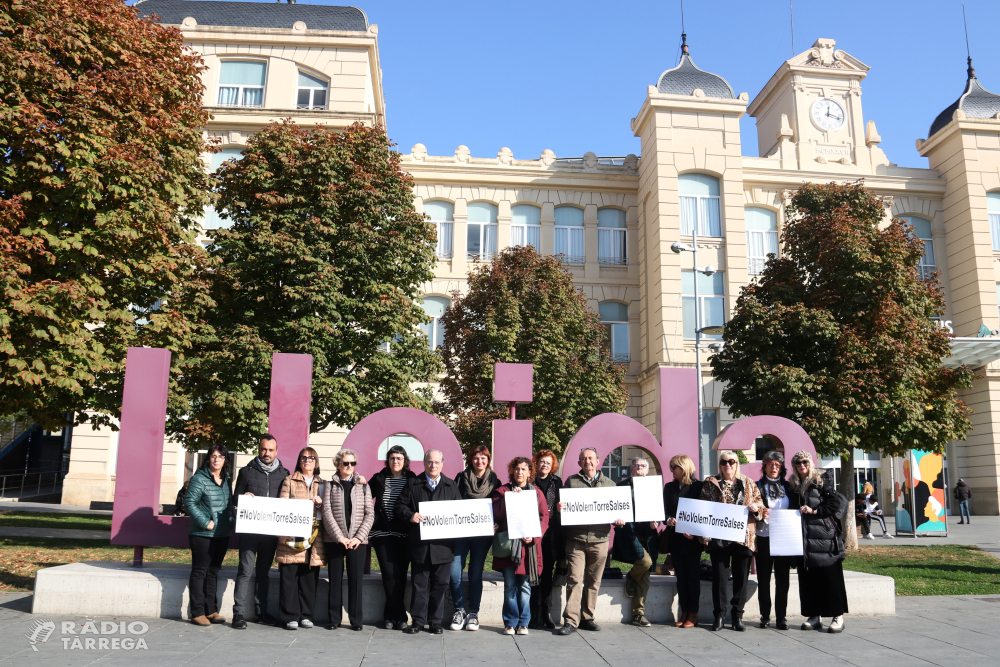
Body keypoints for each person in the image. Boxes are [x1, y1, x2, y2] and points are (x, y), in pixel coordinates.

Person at [394, 449, 462, 634]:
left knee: (440, 586)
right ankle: (417, 621)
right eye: (430, 462)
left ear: (442, 464)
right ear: (424, 463)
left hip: (443, 547)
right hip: (420, 546)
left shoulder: (451, 486)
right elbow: (399, 505)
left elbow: (460, 514)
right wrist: (410, 515)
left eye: (437, 462)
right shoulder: (413, 484)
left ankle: (435, 621)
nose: (433, 465)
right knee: (419, 585)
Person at [555, 447, 618, 635]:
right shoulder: (571, 482)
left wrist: (619, 519)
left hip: (600, 540)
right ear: (579, 463)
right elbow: (564, 507)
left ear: (598, 461)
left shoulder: (610, 484)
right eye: (584, 459)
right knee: (574, 579)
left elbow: (616, 510)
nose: (587, 461)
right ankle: (571, 621)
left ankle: (587, 617)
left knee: (594, 581)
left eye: (591, 458)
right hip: (576, 539)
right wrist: (560, 508)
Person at [699, 449, 763, 632]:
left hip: (743, 538)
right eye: (724, 462)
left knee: (741, 579)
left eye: (732, 462)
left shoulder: (749, 483)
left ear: (737, 464)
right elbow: (702, 508)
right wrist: (703, 535)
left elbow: (761, 506)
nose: (728, 465)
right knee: (719, 578)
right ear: (719, 465)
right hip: (719, 538)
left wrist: (755, 507)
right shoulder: (710, 483)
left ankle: (737, 616)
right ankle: (719, 615)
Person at [231, 433, 290, 628]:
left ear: (276, 451)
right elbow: (235, 499)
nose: (267, 453)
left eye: (271, 450)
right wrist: (242, 499)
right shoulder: (246, 472)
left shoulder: (284, 474)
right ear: (259, 449)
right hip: (249, 532)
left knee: (263, 572)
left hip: (270, 533)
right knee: (245, 571)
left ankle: (261, 612)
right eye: (264, 449)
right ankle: (238, 613)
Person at [790, 450, 849, 633]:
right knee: (808, 580)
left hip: (824, 538)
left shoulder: (821, 481)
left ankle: (837, 616)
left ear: (811, 463)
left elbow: (834, 505)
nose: (802, 466)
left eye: (805, 462)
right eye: (798, 463)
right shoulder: (793, 485)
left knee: (830, 578)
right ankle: (814, 616)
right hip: (804, 540)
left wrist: (814, 511)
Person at [491, 456, 549, 635]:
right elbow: (496, 514)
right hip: (509, 548)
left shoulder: (536, 492)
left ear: (530, 472)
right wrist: (509, 499)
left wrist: (534, 536)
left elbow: (544, 517)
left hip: (527, 549)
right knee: (509, 586)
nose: (520, 472)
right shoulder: (502, 491)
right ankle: (510, 622)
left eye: (524, 469)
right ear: (512, 471)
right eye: (517, 469)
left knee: (524, 587)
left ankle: (524, 622)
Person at [449, 444, 499, 631]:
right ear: (470, 460)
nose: (479, 461)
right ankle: (459, 610)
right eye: (476, 458)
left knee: (475, 573)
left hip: (482, 536)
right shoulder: (461, 478)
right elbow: (452, 502)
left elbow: (499, 507)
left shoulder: (495, 481)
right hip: (461, 534)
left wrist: (497, 523)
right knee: (454, 572)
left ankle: (473, 613)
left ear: (488, 460)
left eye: (483, 458)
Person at [322, 448, 373, 631]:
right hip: (335, 541)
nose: (349, 466)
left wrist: (358, 537)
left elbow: (369, 514)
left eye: (352, 463)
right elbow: (327, 513)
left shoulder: (364, 486)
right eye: (345, 463)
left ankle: (356, 620)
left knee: (355, 581)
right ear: (338, 464)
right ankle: (334, 619)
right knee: (335, 580)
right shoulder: (329, 485)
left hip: (357, 542)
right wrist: (340, 537)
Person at [275, 447, 325, 630]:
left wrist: (321, 505)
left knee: (309, 578)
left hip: (314, 538)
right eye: (304, 457)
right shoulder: (289, 481)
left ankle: (306, 615)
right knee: (289, 577)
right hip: (291, 536)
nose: (307, 461)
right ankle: (290, 616)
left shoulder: (323, 484)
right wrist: (281, 532)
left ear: (316, 462)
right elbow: (282, 506)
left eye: (311, 458)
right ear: (299, 460)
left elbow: (328, 511)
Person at [185, 443, 234, 626]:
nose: (216, 459)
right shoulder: (200, 478)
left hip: (222, 533)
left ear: (225, 460)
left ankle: (211, 610)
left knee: (213, 572)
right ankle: (197, 612)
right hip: (202, 534)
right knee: (200, 571)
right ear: (208, 458)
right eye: (213, 456)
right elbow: (189, 503)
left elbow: (229, 504)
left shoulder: (227, 479)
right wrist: (206, 522)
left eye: (220, 456)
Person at [369, 445, 417, 629]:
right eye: (392, 458)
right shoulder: (379, 478)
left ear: (405, 461)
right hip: (382, 532)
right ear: (387, 461)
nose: (395, 461)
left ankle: (389, 616)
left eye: (399, 458)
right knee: (389, 574)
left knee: (401, 575)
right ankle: (401, 616)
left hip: (404, 533)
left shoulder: (411, 479)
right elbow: (363, 497)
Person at [614, 457, 657, 627]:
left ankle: (638, 614)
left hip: (648, 536)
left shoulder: (653, 488)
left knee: (645, 575)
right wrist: (616, 520)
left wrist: (657, 521)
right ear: (631, 469)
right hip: (629, 534)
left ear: (647, 470)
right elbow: (613, 510)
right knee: (645, 562)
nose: (639, 468)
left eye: (643, 466)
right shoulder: (621, 487)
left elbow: (658, 511)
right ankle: (631, 576)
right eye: (636, 465)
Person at [755, 450, 793, 630]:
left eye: (777, 465)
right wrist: (760, 512)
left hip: (783, 538)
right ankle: (765, 615)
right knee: (763, 578)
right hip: (764, 537)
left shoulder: (789, 487)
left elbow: (795, 509)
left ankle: (781, 617)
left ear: (782, 468)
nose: (774, 468)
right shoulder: (757, 486)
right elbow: (751, 510)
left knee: (783, 579)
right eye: (770, 464)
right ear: (764, 467)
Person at [662, 454, 702, 628]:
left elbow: (703, 513)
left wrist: (695, 532)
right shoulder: (669, 487)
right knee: (681, 578)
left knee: (692, 577)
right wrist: (668, 519)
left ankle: (693, 614)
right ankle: (684, 612)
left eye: (674, 467)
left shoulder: (699, 487)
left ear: (683, 468)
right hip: (675, 539)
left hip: (692, 540)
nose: (671, 471)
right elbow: (663, 511)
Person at [529, 449, 564, 629]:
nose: (545, 465)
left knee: (547, 573)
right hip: (532, 531)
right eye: (542, 462)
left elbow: (562, 503)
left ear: (552, 466)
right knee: (533, 571)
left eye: (548, 463)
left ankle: (546, 611)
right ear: (535, 463)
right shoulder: (529, 481)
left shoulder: (557, 482)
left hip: (551, 533)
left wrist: (559, 508)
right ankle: (532, 612)